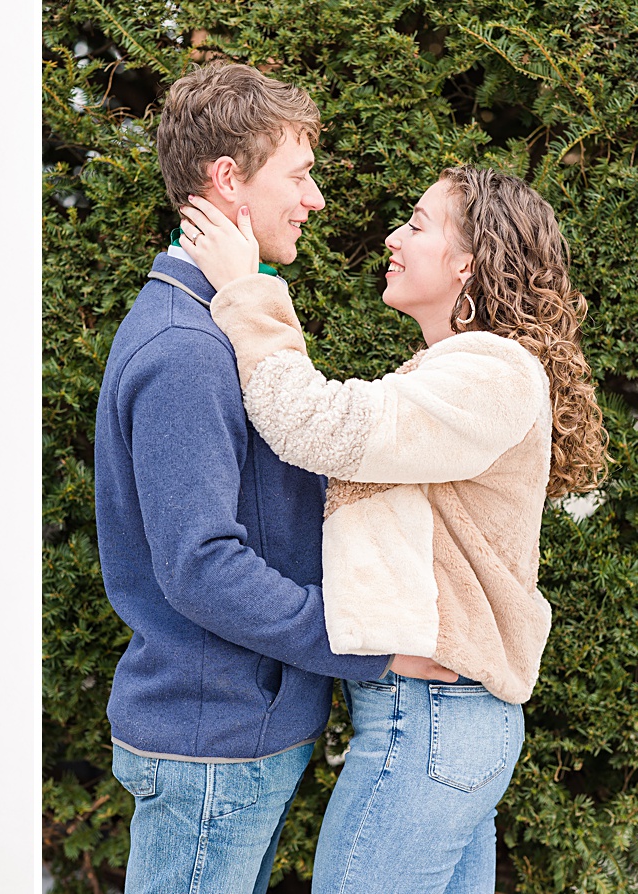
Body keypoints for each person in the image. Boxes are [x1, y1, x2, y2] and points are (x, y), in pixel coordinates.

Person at [177, 164, 607, 891]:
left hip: (434, 719)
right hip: (441, 720)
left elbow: (312, 424)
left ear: (468, 260)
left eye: (416, 223)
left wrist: (243, 289)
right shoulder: (455, 370)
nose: (392, 236)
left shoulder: (490, 375)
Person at [93, 61, 450, 894]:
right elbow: (201, 566)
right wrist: (367, 647)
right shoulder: (185, 351)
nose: (315, 198)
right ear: (229, 182)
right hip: (211, 744)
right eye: (299, 174)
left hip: (239, 734)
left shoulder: (222, 322)